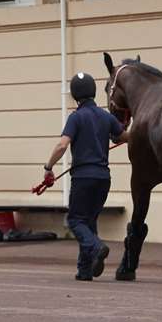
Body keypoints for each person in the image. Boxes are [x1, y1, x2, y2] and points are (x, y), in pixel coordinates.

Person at [36, 72, 124, 280]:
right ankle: (84, 270)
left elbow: (62, 145)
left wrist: (48, 167)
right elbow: (123, 136)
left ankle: (96, 247)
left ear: (75, 95)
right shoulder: (106, 116)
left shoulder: (76, 117)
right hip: (104, 178)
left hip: (83, 177)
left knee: (75, 220)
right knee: (89, 220)